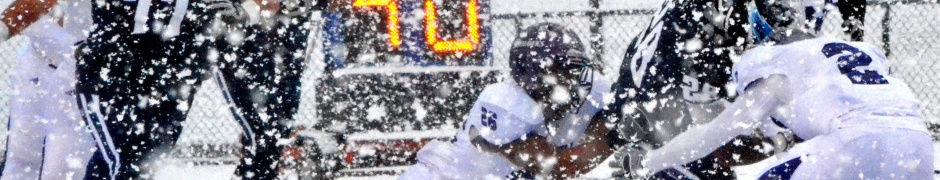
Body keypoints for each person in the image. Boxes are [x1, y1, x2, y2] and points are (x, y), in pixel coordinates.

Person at [631, 0, 934, 178]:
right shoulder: (853, 51)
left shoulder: (774, 65)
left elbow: (713, 135)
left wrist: (651, 162)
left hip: (854, 145)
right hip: (919, 150)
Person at [399, 23, 614, 179]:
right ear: (532, 72)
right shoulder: (505, 101)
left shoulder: (591, 89)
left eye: (572, 71)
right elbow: (559, 167)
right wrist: (616, 136)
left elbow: (612, 103)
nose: (571, 80)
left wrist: (620, 115)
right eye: (561, 71)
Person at [71, 0, 251, 179]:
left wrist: (235, 17)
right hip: (115, 78)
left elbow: (228, 18)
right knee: (128, 164)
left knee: (139, 164)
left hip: (173, 81)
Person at [0, 0, 94, 179]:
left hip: (77, 70)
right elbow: (27, 8)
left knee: (62, 165)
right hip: (37, 60)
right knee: (20, 158)